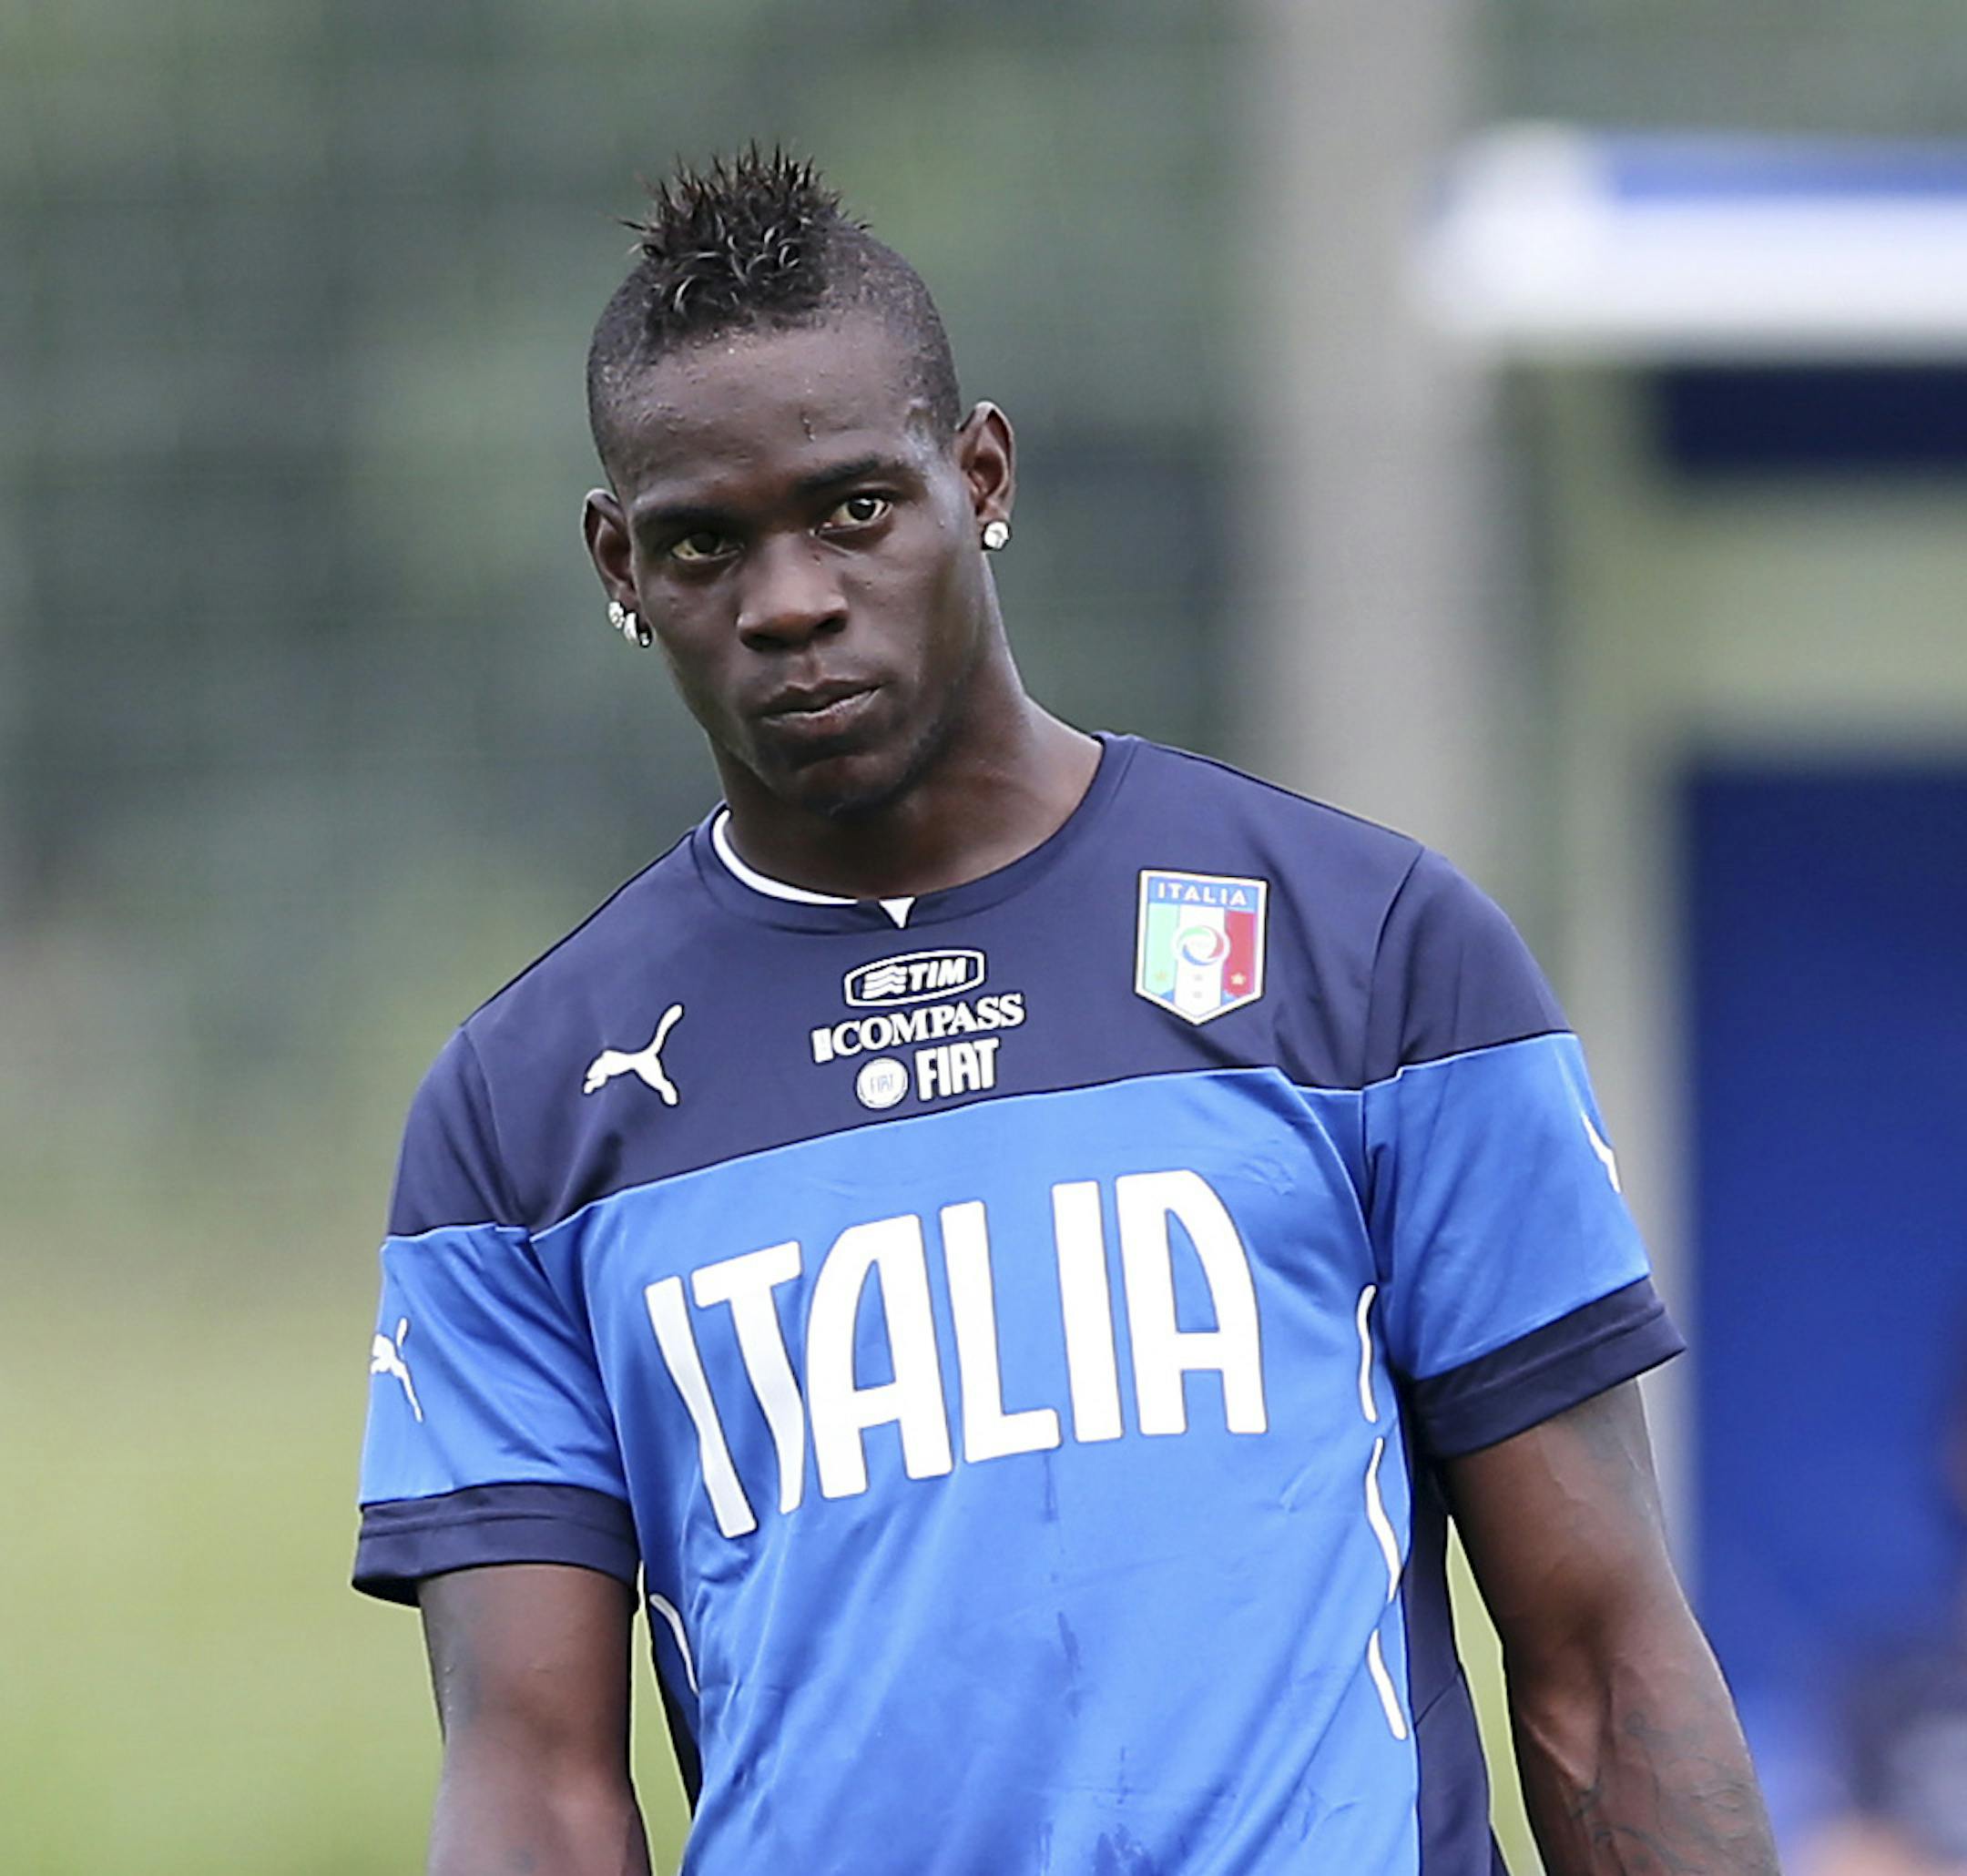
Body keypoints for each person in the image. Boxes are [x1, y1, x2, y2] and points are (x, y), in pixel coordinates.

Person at [353, 148, 1779, 1875]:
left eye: (854, 509)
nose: (789, 600)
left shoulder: (1374, 959)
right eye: (705, 543)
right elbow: (534, 1784)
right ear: (619, 563)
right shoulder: (521, 1118)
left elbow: (1605, 1667)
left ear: (980, 475)